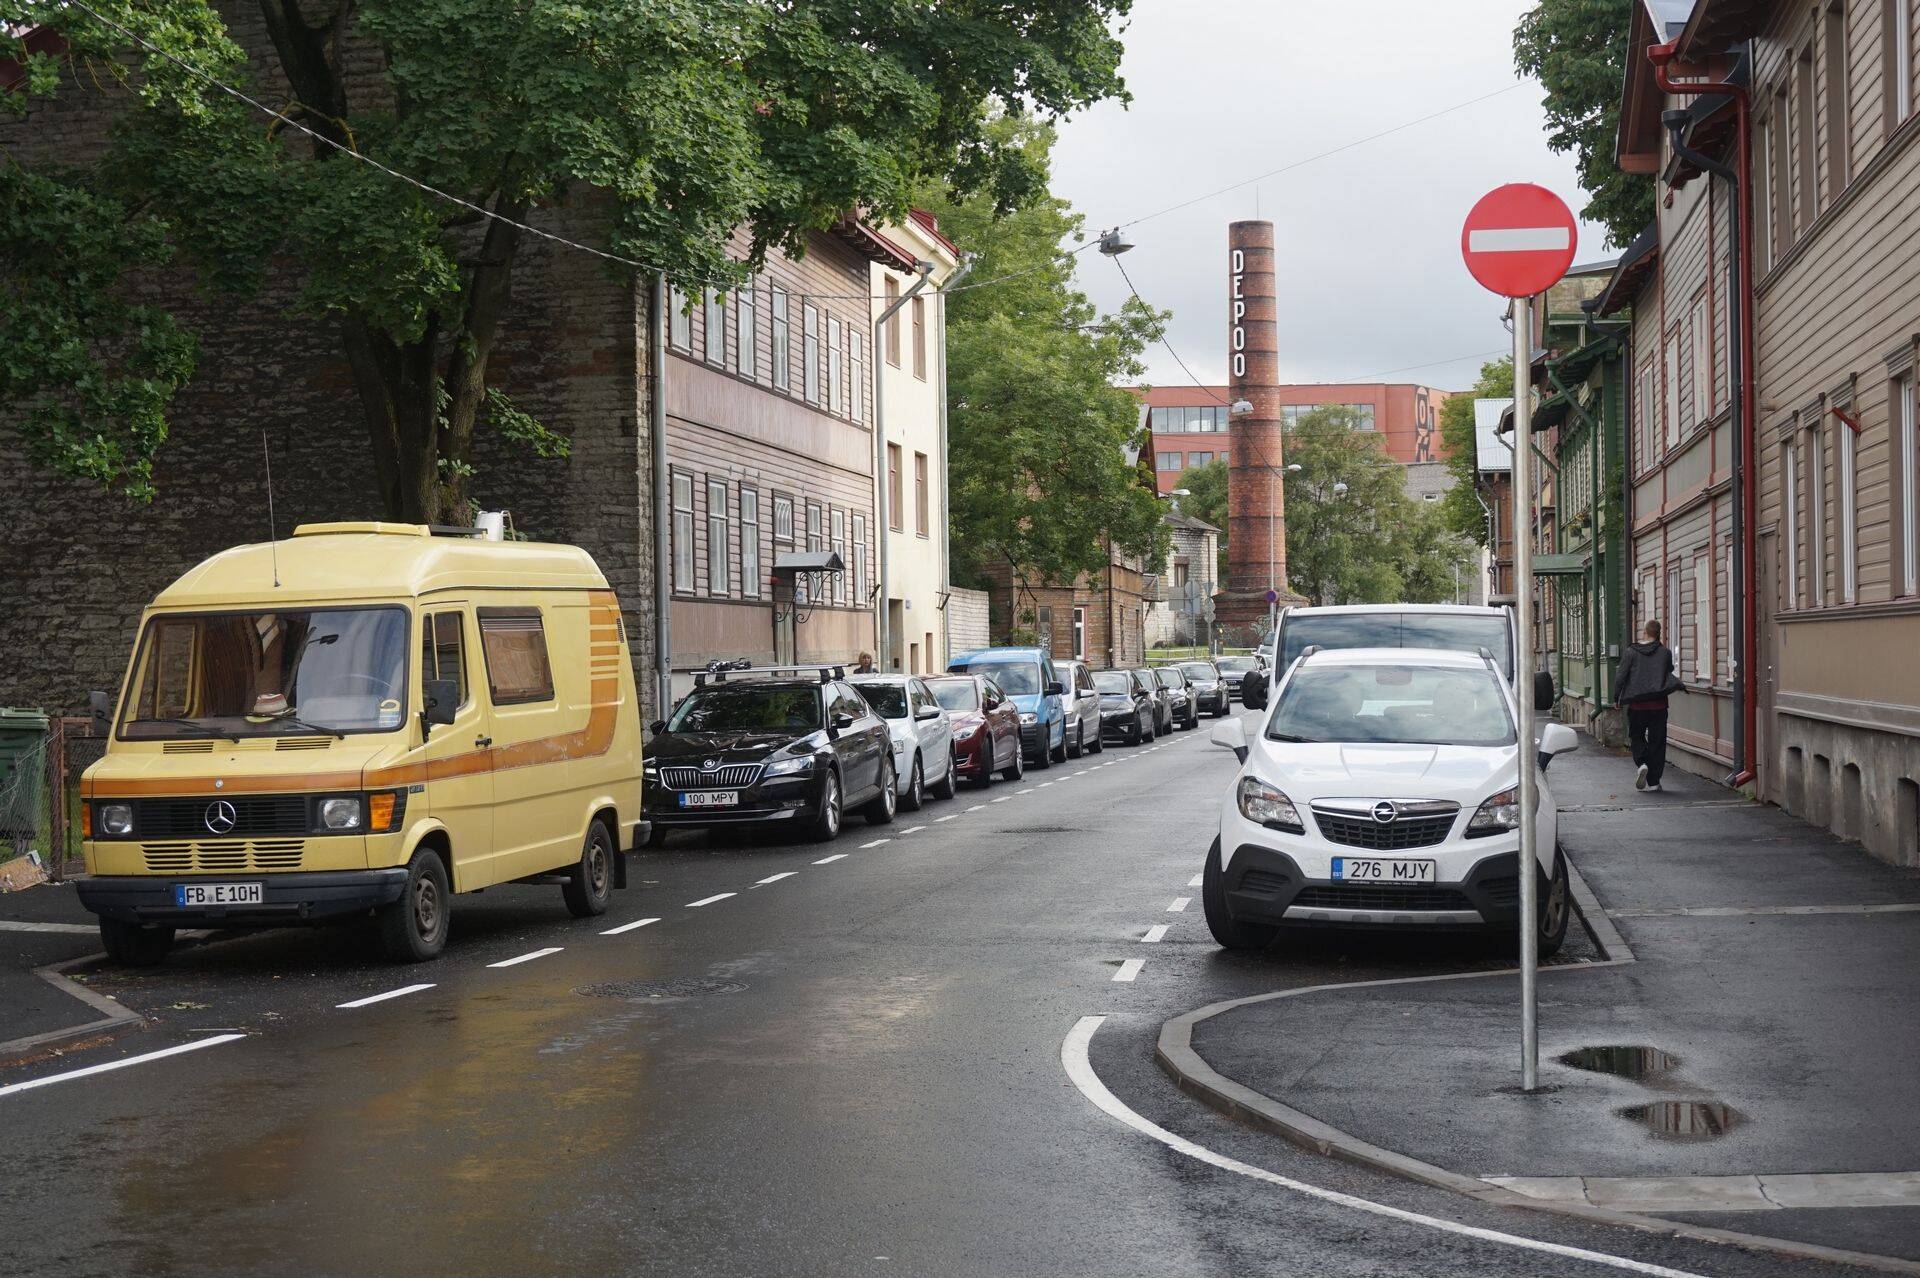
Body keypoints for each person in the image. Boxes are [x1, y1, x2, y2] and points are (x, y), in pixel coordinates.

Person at [1612, 619, 1682, 792]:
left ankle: (1642, 763)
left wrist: (1616, 697)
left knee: (1636, 736)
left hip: (1637, 705)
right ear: (1659, 633)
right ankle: (1654, 782)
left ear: (1644, 632)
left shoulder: (1631, 652)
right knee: (1657, 742)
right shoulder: (1665, 653)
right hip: (1659, 705)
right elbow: (1668, 670)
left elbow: (1621, 676)